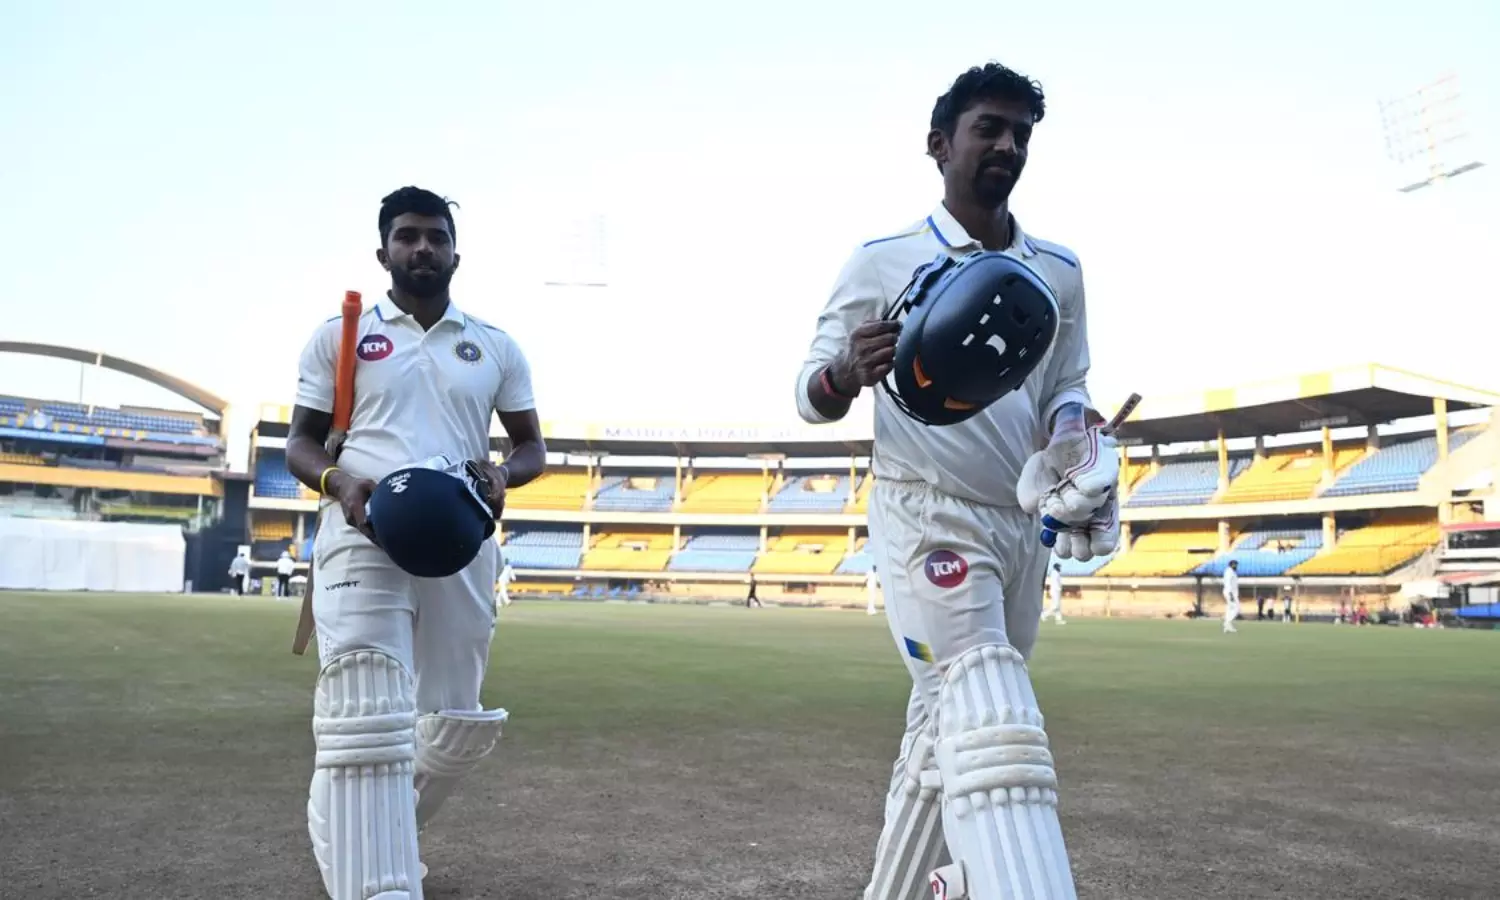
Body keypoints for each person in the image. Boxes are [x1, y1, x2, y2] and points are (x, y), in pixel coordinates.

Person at [794, 62, 1115, 900]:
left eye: (1021, 133)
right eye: (988, 128)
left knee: (945, 728)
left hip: (1019, 525)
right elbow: (808, 396)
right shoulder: (881, 261)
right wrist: (844, 373)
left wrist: (1074, 441)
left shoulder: (1060, 268)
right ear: (940, 145)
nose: (1007, 145)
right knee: (989, 710)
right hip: (926, 513)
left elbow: (1067, 386)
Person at [284, 186, 547, 899]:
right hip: (363, 529)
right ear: (384, 253)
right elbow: (300, 443)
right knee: (367, 704)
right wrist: (340, 482)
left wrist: (502, 474)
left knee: (457, 721)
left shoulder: (493, 345)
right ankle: (379, 882)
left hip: (461, 534)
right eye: (407, 236)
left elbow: (531, 447)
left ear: (456, 253)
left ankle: (359, 833)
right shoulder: (339, 337)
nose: (422, 247)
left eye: (436, 237)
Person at [1222, 560, 1240, 633]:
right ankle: (1227, 622)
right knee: (1237, 608)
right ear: (1231, 565)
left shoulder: (1232, 572)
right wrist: (1230, 594)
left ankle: (1227, 627)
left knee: (1229, 609)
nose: (1236, 566)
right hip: (1230, 593)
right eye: (1235, 565)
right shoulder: (1229, 572)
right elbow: (1228, 583)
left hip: (1232, 593)